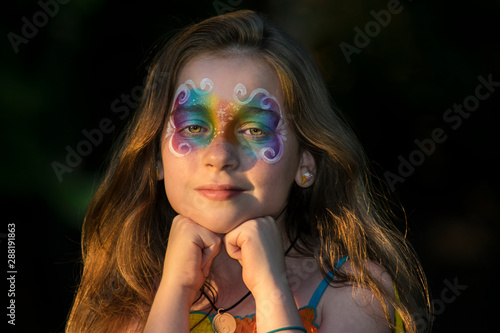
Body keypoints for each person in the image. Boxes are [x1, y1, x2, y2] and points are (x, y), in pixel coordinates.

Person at [66, 10, 430, 333]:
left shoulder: (356, 295)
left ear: (306, 161)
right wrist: (174, 293)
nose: (220, 155)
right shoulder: (124, 305)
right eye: (194, 127)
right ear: (156, 158)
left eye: (254, 130)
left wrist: (272, 293)